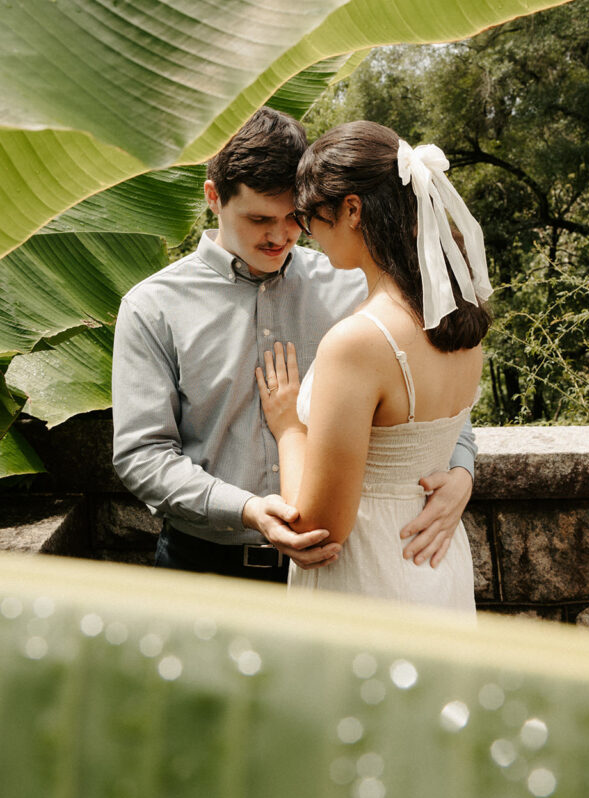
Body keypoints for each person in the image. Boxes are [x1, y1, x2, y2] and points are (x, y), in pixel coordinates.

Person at [112, 108, 478, 584]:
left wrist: (463, 475)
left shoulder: (354, 286)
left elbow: (438, 408)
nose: (280, 235)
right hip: (202, 571)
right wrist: (247, 510)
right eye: (259, 218)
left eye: (295, 218)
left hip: (344, 571)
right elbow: (142, 455)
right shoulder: (152, 307)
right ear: (213, 198)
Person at [257, 121, 492, 608]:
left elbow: (316, 528)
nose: (306, 236)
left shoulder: (359, 341)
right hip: (436, 566)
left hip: (368, 580)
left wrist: (288, 429)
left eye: (308, 218)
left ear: (351, 209)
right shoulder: (462, 324)